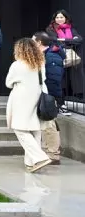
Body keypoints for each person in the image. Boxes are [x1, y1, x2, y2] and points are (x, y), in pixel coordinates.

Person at [5, 38, 53, 173]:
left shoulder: (17, 65)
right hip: (37, 97)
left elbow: (8, 83)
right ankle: (31, 163)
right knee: (35, 129)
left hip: (22, 99)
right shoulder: (40, 63)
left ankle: (39, 158)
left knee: (19, 129)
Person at [32, 31, 65, 165]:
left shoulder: (51, 57)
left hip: (49, 95)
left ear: (39, 42)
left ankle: (53, 154)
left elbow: (53, 79)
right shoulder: (44, 55)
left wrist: (50, 97)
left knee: (50, 124)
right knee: (46, 124)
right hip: (46, 95)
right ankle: (48, 151)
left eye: (33, 41)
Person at [46, 9, 83, 110]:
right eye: (57, 17)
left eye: (61, 17)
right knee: (59, 79)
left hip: (70, 57)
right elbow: (55, 41)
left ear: (66, 18)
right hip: (57, 57)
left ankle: (75, 97)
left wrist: (64, 40)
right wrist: (71, 41)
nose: (59, 19)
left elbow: (79, 39)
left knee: (71, 78)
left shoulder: (71, 28)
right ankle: (60, 102)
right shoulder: (50, 29)